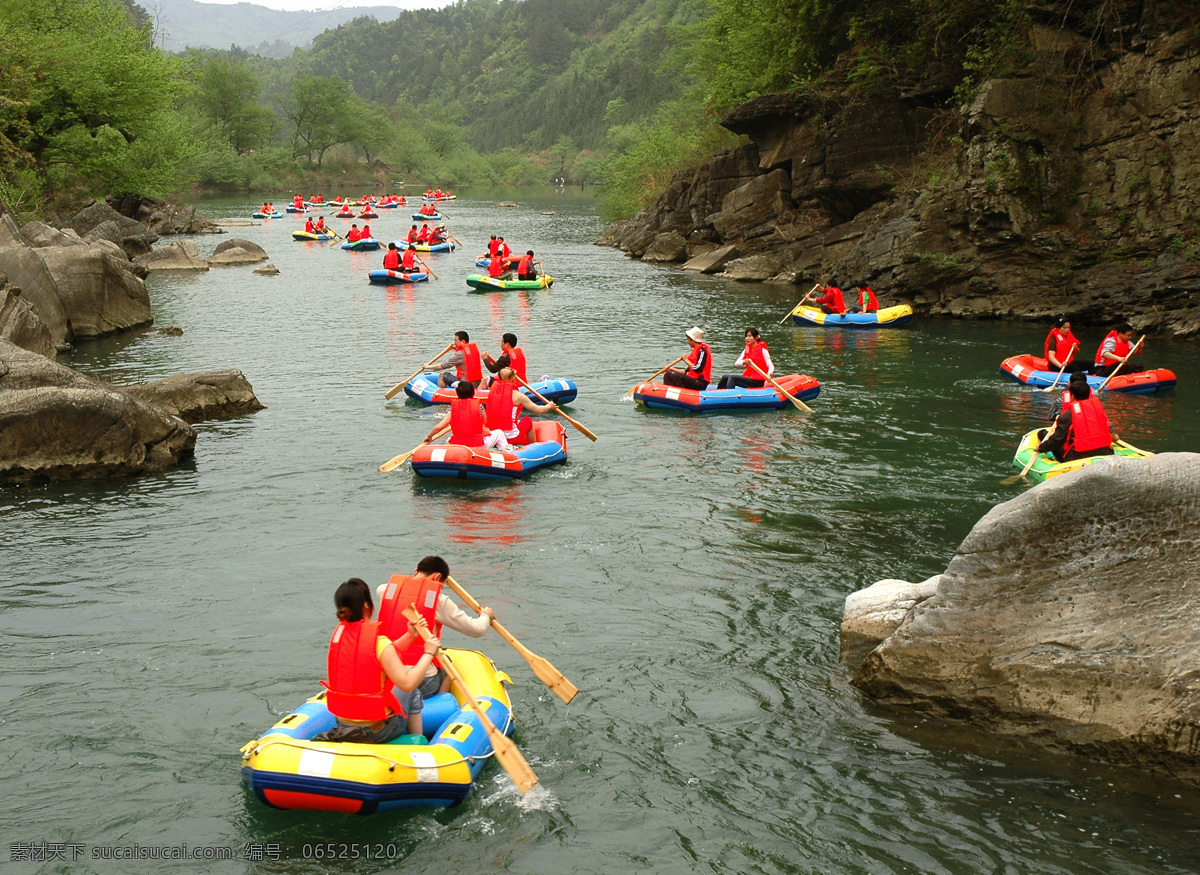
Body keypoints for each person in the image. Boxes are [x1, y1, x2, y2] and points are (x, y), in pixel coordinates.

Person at [320, 577, 441, 742]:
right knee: (409, 679)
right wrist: (429, 653)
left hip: (343, 726)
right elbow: (407, 683)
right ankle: (417, 742)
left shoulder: (339, 637)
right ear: (367, 606)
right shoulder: (379, 642)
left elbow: (380, 656)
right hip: (375, 731)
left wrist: (410, 635)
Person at [374, 556, 493, 699]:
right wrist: (486, 615)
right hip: (421, 680)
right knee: (448, 663)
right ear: (438, 577)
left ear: (416, 571)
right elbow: (477, 629)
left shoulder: (385, 590)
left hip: (384, 673)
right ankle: (441, 703)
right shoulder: (438, 600)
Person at [1036, 377, 1114, 463]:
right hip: (1106, 452)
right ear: (1089, 394)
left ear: (1072, 396)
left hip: (1077, 456)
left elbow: (1057, 440)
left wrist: (1041, 448)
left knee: (1042, 434)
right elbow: (1110, 430)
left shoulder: (1067, 416)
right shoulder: (1099, 411)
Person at [424, 381, 513, 449]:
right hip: (478, 445)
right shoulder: (480, 407)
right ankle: (506, 451)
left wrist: (429, 436)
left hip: (458, 444)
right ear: (473, 393)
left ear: (457, 394)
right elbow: (485, 422)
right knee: (499, 433)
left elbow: (438, 427)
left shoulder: (452, 411)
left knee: (449, 439)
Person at [485, 367, 556, 445]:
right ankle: (534, 446)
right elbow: (539, 410)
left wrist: (510, 374)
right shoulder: (518, 396)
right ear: (513, 378)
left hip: (495, 437)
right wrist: (549, 406)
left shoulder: (492, 393)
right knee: (528, 420)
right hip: (511, 438)